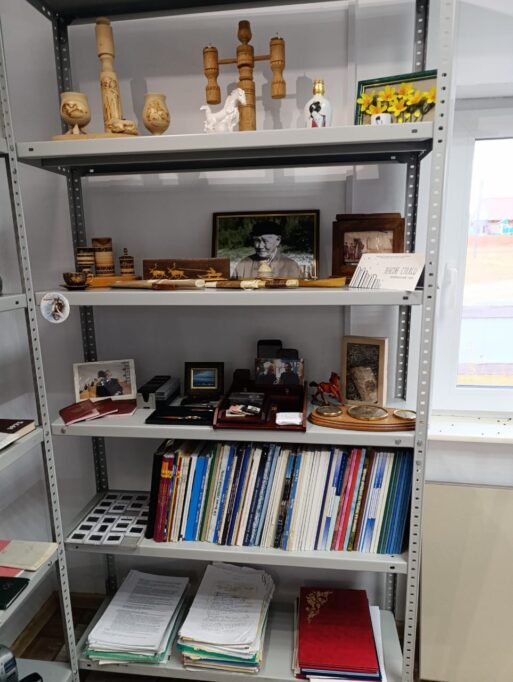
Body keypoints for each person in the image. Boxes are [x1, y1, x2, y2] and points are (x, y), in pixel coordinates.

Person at [234, 221, 301, 279]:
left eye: (265, 241)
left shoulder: (291, 266)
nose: (260, 246)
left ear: (278, 240)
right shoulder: (243, 264)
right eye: (257, 240)